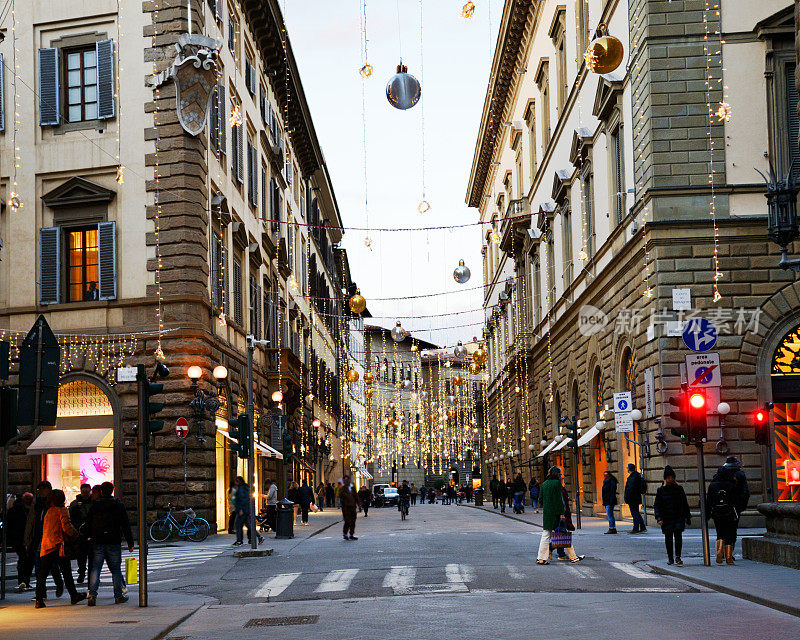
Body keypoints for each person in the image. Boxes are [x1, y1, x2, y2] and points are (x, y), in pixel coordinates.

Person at [34, 489, 86, 608]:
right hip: (59, 546)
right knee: (66, 572)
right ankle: (74, 595)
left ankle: (39, 600)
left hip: (46, 546)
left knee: (42, 575)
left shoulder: (48, 511)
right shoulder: (62, 510)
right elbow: (66, 526)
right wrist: (76, 534)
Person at [85, 482, 133, 606]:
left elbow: (88, 522)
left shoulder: (95, 505)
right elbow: (125, 524)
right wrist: (130, 542)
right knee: (116, 570)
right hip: (113, 540)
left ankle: (92, 595)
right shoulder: (118, 505)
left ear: (101, 491)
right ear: (112, 490)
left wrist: (88, 537)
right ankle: (118, 596)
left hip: (98, 540)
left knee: (95, 569)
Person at [537, 467, 583, 564]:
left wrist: (548, 504)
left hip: (547, 514)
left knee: (545, 536)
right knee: (563, 534)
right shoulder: (556, 483)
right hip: (557, 513)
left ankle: (541, 558)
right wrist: (561, 513)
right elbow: (559, 500)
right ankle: (573, 557)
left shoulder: (544, 484)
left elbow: (540, 500)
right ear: (557, 474)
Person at [27, 481, 64, 598]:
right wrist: (27, 539)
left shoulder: (53, 503)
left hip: (52, 539)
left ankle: (59, 584)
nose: (41, 491)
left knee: (53, 566)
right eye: (39, 489)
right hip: (39, 539)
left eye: (43, 489)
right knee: (39, 568)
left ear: (49, 490)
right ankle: (41, 594)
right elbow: (31, 521)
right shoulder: (37, 503)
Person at [653, 465, 691, 566]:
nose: (670, 479)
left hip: (678, 516)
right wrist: (659, 518)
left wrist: (688, 517)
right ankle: (670, 558)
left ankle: (678, 557)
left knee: (678, 537)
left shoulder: (679, 488)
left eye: (671, 477)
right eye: (668, 477)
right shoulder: (661, 490)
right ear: (665, 478)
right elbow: (657, 505)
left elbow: (684, 503)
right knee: (668, 538)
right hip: (666, 518)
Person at [707, 465, 741, 565]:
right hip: (728, 512)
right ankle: (729, 558)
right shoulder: (731, 485)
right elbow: (735, 500)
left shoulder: (712, 485)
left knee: (719, 533)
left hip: (717, 513)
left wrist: (708, 514)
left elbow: (709, 501)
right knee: (729, 534)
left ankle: (719, 552)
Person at [7, 492, 34, 591]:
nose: (28, 501)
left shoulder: (33, 509)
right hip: (19, 539)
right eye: (27, 499)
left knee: (29, 560)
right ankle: (22, 581)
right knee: (23, 559)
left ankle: (25, 581)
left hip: (30, 539)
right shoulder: (16, 510)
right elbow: (10, 526)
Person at [68, 484, 92, 584]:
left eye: (87, 492)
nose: (86, 494)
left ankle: (90, 574)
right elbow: (70, 513)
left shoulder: (93, 502)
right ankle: (82, 572)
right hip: (81, 533)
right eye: (84, 492)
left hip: (91, 532)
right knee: (81, 555)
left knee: (91, 555)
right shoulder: (76, 503)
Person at [232, 476, 263, 547]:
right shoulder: (245, 488)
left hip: (242, 510)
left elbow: (242, 500)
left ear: (239, 481)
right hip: (246, 510)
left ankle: (239, 541)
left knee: (238, 525)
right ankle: (259, 536)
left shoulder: (241, 489)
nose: (235, 482)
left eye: (236, 481)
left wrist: (241, 509)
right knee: (248, 525)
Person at [624, 463, 647, 534]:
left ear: (629, 469)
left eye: (627, 468)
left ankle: (636, 529)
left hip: (632, 498)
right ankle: (642, 527)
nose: (627, 469)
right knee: (636, 513)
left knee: (634, 514)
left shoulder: (632, 478)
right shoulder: (637, 476)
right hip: (636, 497)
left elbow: (630, 489)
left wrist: (627, 497)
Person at [340, 475, 359, 541]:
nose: (346, 481)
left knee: (353, 520)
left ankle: (351, 534)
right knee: (347, 521)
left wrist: (359, 505)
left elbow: (356, 496)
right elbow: (341, 497)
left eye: (347, 480)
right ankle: (345, 534)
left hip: (353, 507)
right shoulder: (342, 488)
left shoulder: (352, 487)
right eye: (345, 480)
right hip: (346, 507)